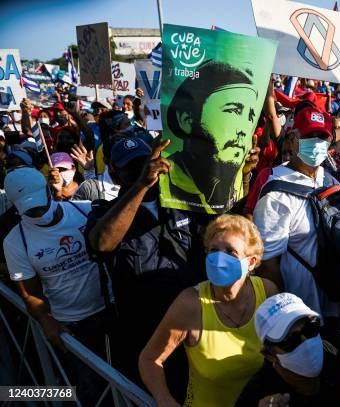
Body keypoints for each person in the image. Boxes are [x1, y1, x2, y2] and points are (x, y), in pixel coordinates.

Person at [86, 138, 206, 398]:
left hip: (194, 326)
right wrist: (142, 184)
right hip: (146, 336)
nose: (143, 168)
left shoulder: (183, 199)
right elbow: (103, 243)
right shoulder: (105, 210)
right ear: (115, 173)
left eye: (145, 161)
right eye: (132, 167)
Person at [139, 214, 277, 407]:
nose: (219, 258)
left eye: (231, 252)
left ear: (251, 262)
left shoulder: (267, 292)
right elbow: (149, 358)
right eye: (213, 250)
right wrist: (165, 400)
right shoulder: (191, 304)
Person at [3, 167, 108, 405]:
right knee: (91, 392)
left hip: (110, 311)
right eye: (30, 210)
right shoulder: (15, 241)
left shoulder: (85, 210)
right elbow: (29, 293)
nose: (38, 212)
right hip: (73, 328)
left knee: (125, 380)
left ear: (49, 191)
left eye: (40, 204)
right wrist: (45, 319)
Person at [253, 105, 339, 318]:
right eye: (310, 136)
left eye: (322, 137)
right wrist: (286, 312)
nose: (317, 143)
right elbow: (268, 263)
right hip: (302, 309)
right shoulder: (276, 193)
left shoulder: (330, 181)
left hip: (337, 301)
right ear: (292, 138)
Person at [162, 61, 262, 214]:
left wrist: (246, 175)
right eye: (233, 111)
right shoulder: (161, 179)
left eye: (250, 117)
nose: (243, 130)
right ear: (187, 120)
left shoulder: (235, 182)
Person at [236, 292, 340, 406]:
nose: (306, 344)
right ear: (269, 355)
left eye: (310, 328)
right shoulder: (257, 393)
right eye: (290, 340)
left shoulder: (337, 353)